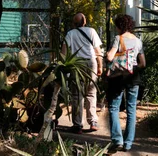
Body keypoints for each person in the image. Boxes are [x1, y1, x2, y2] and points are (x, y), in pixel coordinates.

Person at [106, 14, 145, 153]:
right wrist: (131, 66)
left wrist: (108, 56)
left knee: (113, 107)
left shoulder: (118, 38)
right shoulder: (138, 41)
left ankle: (117, 140)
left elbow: (110, 56)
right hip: (133, 76)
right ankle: (128, 143)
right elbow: (142, 63)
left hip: (117, 77)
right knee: (131, 109)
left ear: (120, 26)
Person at [61, 13, 103, 133]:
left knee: (77, 94)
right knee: (91, 92)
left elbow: (64, 53)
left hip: (76, 64)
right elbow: (97, 51)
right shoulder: (91, 31)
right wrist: (100, 66)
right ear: (84, 22)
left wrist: (63, 67)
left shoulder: (70, 34)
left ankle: (78, 125)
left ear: (74, 23)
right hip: (91, 64)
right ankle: (93, 121)